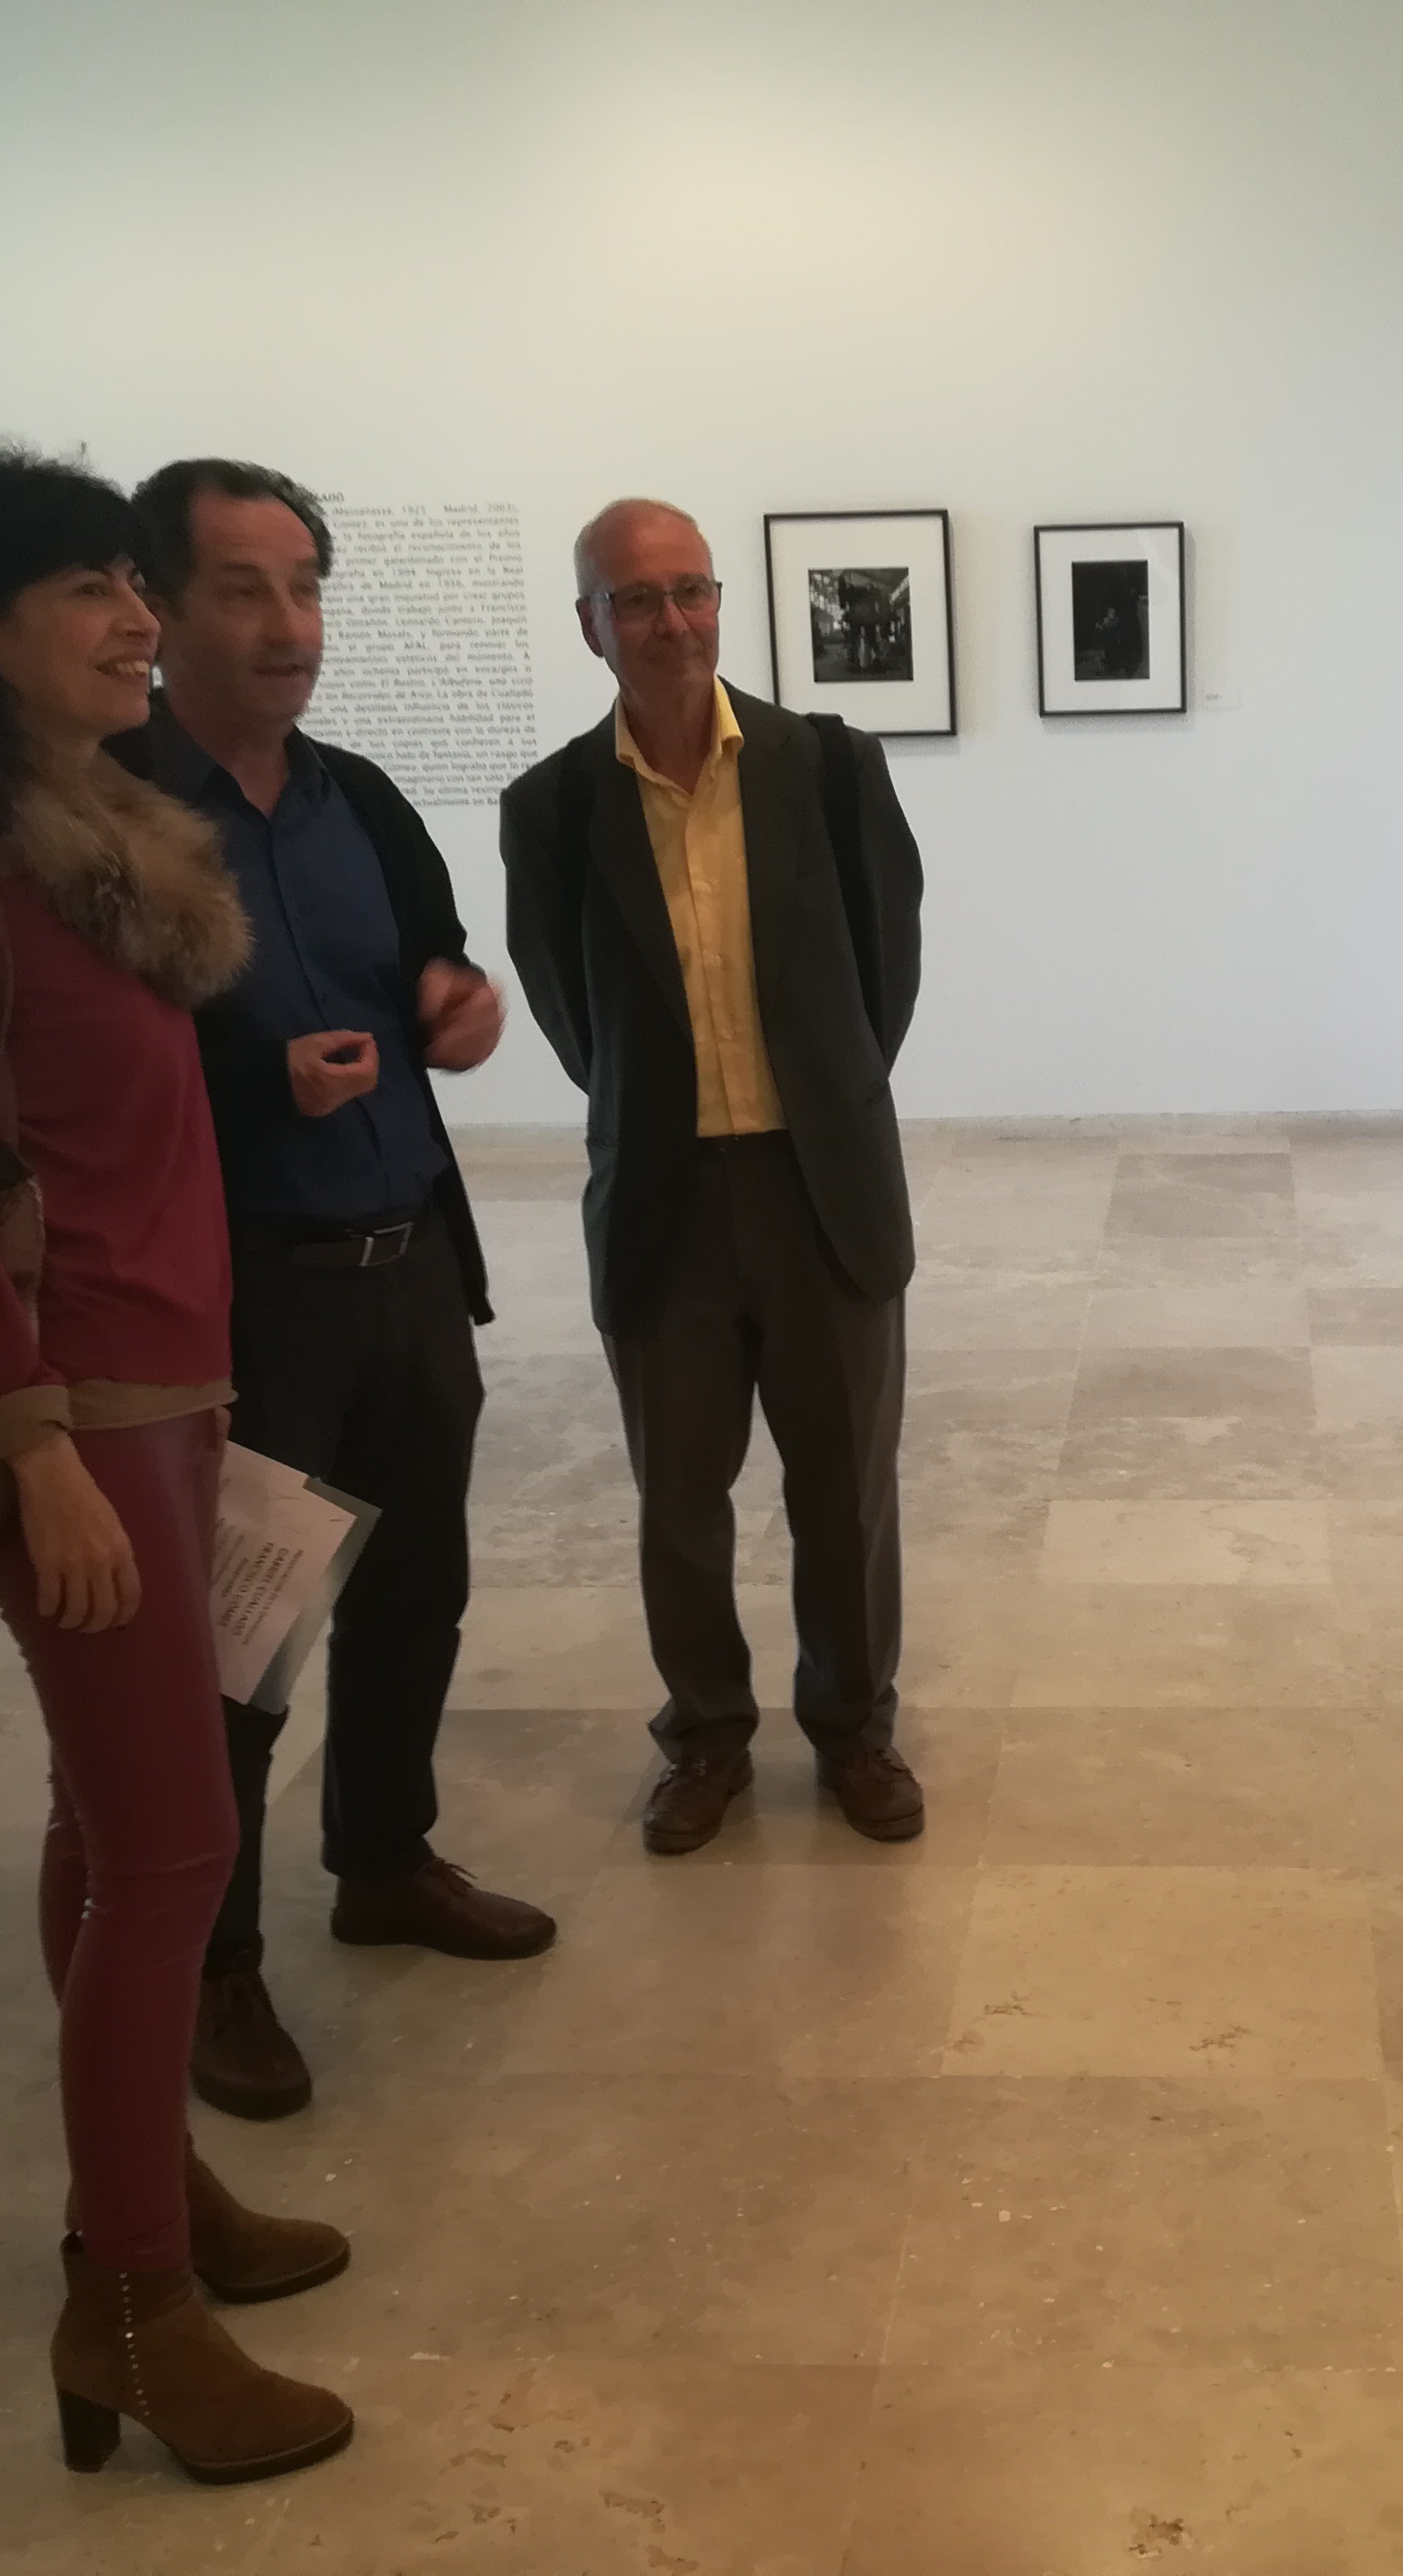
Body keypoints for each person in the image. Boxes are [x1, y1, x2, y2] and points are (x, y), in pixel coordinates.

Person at [0, 446, 351, 2484]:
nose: (137, 619)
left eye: (136, 581)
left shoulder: (84, 839)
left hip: (160, 1402)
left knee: (106, 1826)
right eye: (88, 592)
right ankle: (130, 2305)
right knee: (174, 1853)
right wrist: (25, 1450)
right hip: (74, 1431)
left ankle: (150, 2193)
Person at [116, 459, 551, 2129]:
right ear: (159, 609)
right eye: (243, 588)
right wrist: (255, 1085)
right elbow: (83, 1072)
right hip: (245, 1301)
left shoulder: (358, 796)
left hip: (407, 1263)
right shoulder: (107, 812)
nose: (288, 624)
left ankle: (383, 1859)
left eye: (304, 586)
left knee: (416, 1589)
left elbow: (437, 962)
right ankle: (216, 1963)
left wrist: (461, 1004)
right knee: (244, 1638)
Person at [499, 500, 926, 1855]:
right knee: (679, 1503)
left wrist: (823, 1104)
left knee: (845, 1494)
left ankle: (854, 1730)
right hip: (663, 1201)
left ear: (721, 603)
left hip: (822, 1194)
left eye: (690, 591)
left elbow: (883, 973)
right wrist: (663, 1110)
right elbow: (569, 1012)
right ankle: (706, 1738)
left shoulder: (830, 768)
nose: (671, 622)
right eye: (637, 600)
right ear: (591, 626)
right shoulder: (552, 807)